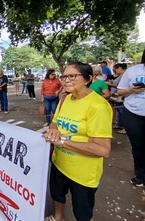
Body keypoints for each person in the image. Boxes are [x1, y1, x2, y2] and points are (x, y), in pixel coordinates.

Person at [43, 62, 112, 221]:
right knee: (57, 195)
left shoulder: (98, 106)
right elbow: (55, 122)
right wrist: (53, 129)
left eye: (72, 76)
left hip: (82, 173)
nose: (66, 80)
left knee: (82, 212)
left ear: (87, 79)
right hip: (59, 163)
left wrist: (62, 142)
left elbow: (103, 150)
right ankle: (58, 216)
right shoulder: (65, 99)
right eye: (64, 76)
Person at [117, 49, 145, 188]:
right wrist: (132, 90)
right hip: (133, 114)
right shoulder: (133, 71)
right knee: (138, 146)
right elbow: (120, 91)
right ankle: (140, 175)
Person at [107, 63, 127, 133]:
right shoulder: (121, 75)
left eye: (115, 69)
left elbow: (120, 86)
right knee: (119, 111)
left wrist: (110, 84)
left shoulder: (124, 75)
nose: (114, 71)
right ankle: (120, 124)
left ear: (120, 68)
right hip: (117, 95)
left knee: (122, 112)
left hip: (120, 95)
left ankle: (125, 127)